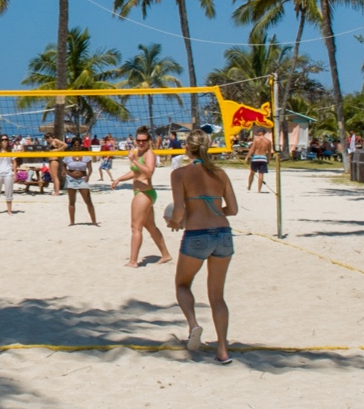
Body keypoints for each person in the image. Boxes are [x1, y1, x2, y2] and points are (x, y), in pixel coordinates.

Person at [169, 131, 239, 363]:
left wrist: (174, 222)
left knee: (182, 284)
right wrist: (213, 210)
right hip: (223, 234)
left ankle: (194, 325)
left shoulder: (179, 174)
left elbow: (178, 210)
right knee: (217, 297)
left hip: (197, 234)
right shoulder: (220, 173)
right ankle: (222, 350)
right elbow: (233, 210)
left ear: (187, 148)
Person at [111, 125, 172, 267]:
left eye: (144, 140)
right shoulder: (137, 152)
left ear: (149, 140)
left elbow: (149, 172)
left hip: (144, 193)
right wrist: (120, 179)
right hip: (141, 192)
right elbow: (136, 173)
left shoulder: (149, 154)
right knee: (150, 226)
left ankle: (133, 261)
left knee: (135, 227)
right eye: (139, 140)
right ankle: (165, 254)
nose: (141, 143)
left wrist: (134, 161)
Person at [62, 138, 97, 225]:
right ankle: (72, 222)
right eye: (75, 145)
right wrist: (66, 173)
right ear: (72, 146)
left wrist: (88, 176)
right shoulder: (68, 156)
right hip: (71, 179)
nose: (77, 147)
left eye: (78, 145)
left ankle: (94, 222)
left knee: (88, 200)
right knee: (72, 201)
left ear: (81, 145)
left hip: (82, 179)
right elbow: (63, 166)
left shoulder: (85, 156)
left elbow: (90, 168)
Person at [0, 135, 16, 214]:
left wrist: (15, 173)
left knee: (9, 192)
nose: (4, 141)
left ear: (8, 141)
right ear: (0, 141)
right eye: (2, 140)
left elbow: (14, 163)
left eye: (6, 139)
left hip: (8, 173)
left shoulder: (11, 151)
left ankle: (9, 210)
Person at [245, 126, 272, 193]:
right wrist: (269, 159)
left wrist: (247, 157)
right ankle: (259, 190)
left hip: (256, 158)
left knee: (252, 173)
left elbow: (252, 149)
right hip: (263, 158)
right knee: (261, 174)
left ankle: (249, 186)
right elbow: (269, 152)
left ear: (260, 132)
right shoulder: (268, 141)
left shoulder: (256, 140)